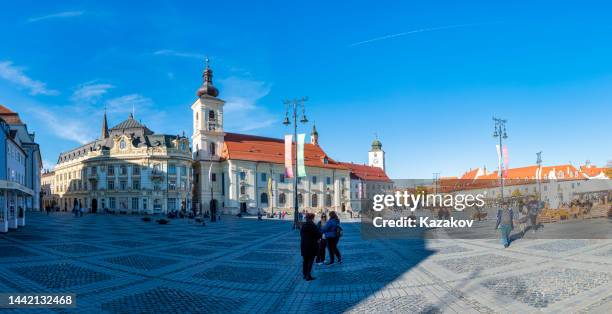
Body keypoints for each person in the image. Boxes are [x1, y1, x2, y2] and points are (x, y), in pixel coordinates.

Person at [300, 213, 321, 281]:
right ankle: (308, 276)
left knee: (305, 261)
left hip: (304, 245)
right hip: (311, 245)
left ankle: (305, 274)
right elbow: (318, 235)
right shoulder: (313, 225)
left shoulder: (303, 225)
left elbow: (301, 234)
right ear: (312, 218)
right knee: (310, 261)